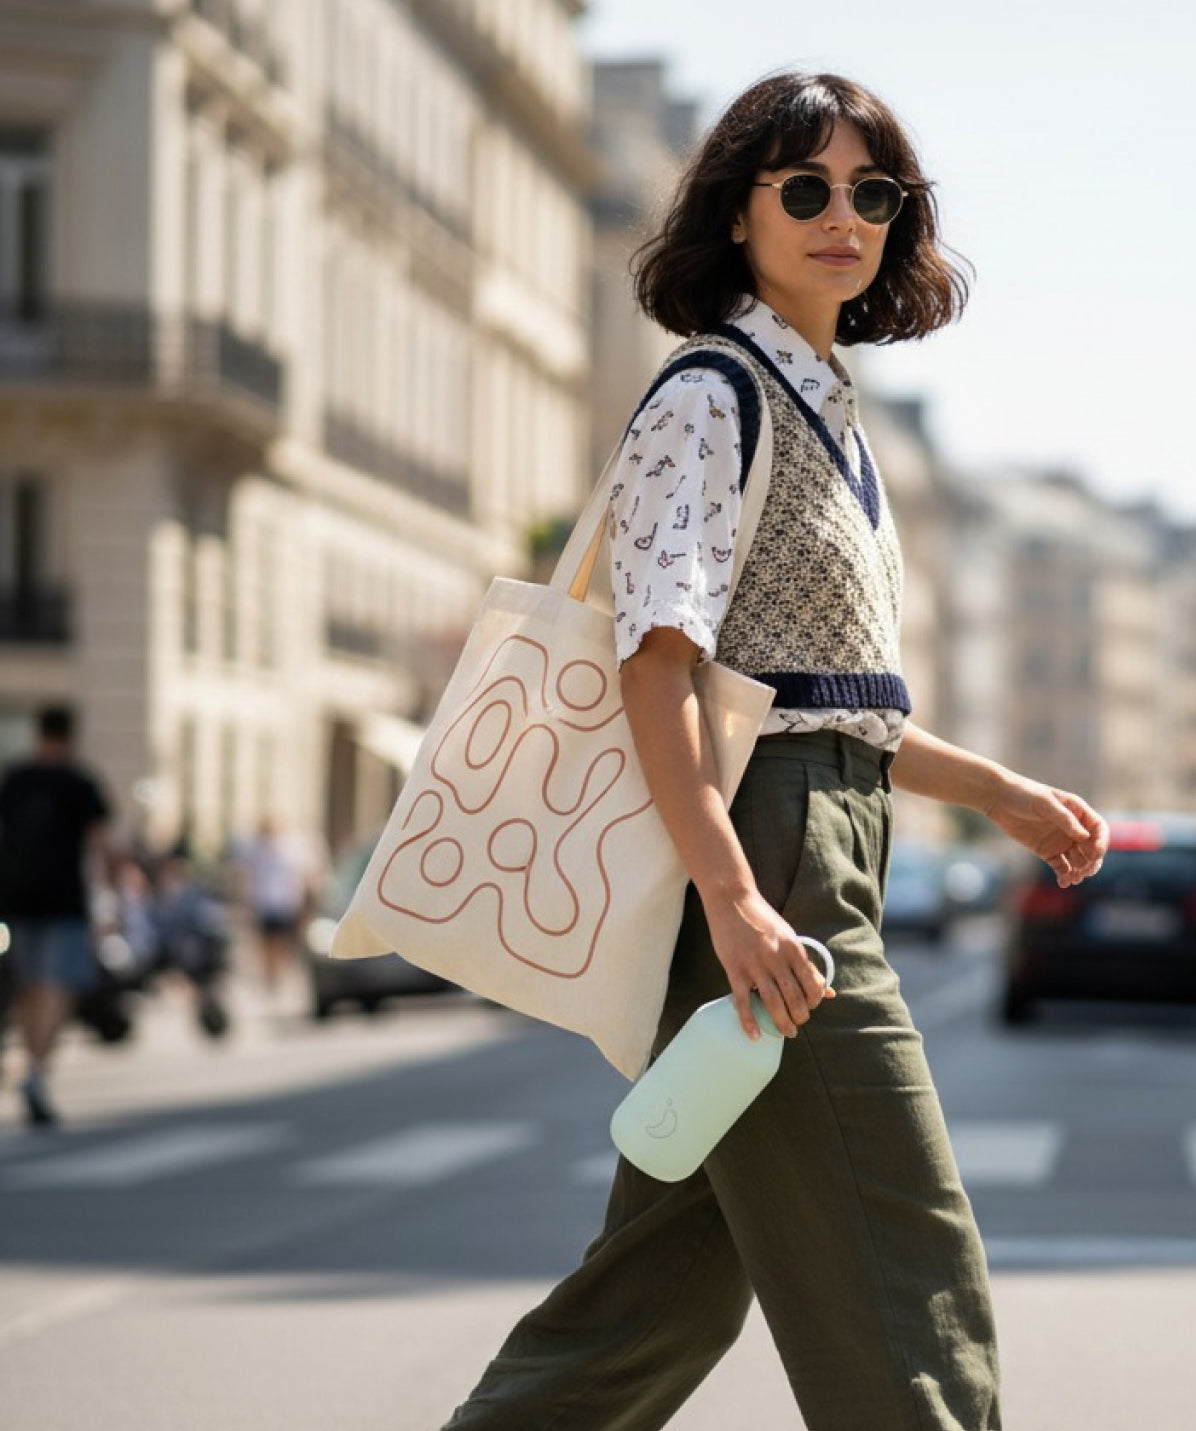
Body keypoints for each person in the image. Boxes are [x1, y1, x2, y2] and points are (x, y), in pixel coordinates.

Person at [440, 73, 1108, 1431]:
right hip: (772, 866)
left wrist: (999, 792)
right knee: (910, 1267)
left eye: (874, 193)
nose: (841, 216)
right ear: (737, 215)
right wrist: (740, 898)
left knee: (659, 1292)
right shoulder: (713, 392)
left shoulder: (831, 415)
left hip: (810, 839)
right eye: (804, 188)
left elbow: (827, 700)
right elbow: (657, 662)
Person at [0, 705, 112, 1128]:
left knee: (28, 987)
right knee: (58, 987)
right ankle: (36, 1070)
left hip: (15, 900)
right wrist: (108, 902)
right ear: (71, 736)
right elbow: (101, 846)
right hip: (64, 901)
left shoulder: (16, 778)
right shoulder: (79, 783)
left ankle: (31, 1064)